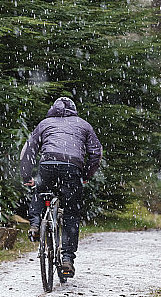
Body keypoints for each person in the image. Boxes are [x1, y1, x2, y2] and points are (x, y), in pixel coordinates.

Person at [19, 96, 102, 276]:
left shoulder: (44, 124)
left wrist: (27, 176)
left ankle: (34, 225)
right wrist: (85, 175)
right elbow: (96, 154)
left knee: (40, 190)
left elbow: (28, 150)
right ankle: (67, 259)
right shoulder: (84, 125)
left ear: (52, 109)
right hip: (72, 168)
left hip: (47, 164)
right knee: (71, 212)